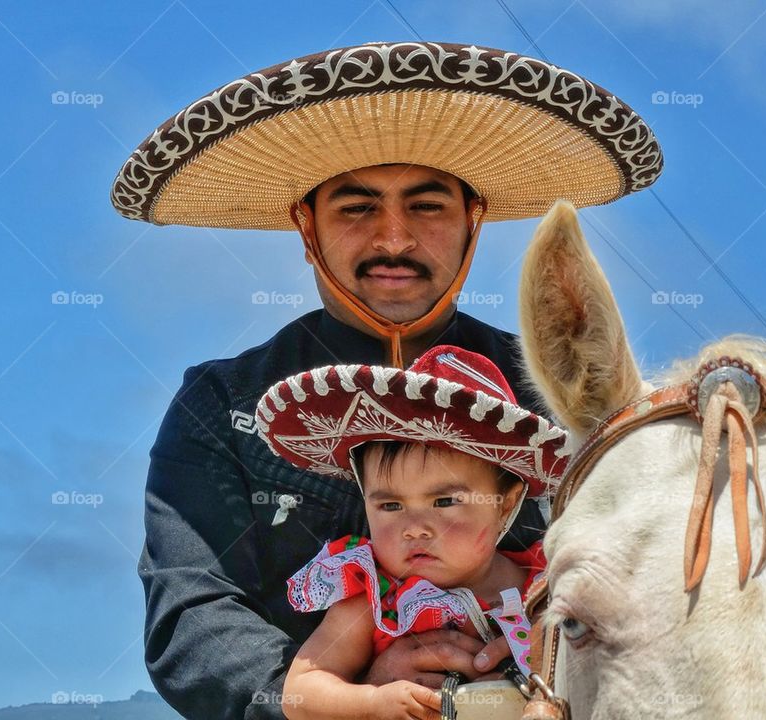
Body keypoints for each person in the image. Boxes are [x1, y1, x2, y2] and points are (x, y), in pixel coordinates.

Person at [111, 41, 661, 718]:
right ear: (306, 226)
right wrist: (346, 692)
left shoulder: (561, 390)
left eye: (427, 206)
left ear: (473, 222)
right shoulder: (223, 403)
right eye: (356, 206)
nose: (394, 239)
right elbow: (190, 625)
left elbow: (635, 580)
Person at [254, 345, 568, 719]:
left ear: (504, 503)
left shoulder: (549, 590)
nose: (414, 529)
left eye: (444, 502)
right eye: (390, 506)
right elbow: (302, 690)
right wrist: (371, 704)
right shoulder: (373, 598)